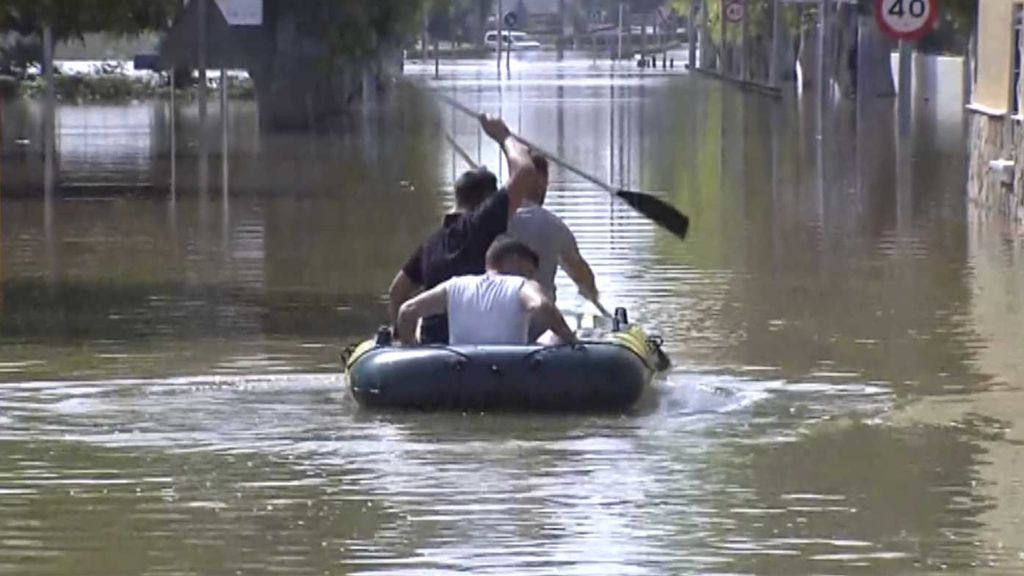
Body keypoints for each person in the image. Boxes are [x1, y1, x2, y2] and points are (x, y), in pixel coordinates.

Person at [388, 114, 540, 344]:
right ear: (485, 201)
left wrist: (400, 336)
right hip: (476, 346)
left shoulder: (430, 245)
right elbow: (525, 172)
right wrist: (503, 136)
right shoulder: (482, 224)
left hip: (434, 347)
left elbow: (397, 291)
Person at [396, 237, 577, 346]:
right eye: (528, 271)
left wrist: (412, 348)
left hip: (460, 370)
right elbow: (542, 306)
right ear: (514, 260)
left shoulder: (454, 286)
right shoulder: (522, 285)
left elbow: (407, 311)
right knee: (555, 335)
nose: (530, 277)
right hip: (511, 369)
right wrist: (571, 339)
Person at [508, 152, 599, 304]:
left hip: (495, 312)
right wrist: (591, 293)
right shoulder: (555, 226)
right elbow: (583, 278)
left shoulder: (491, 218)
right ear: (542, 181)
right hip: (538, 319)